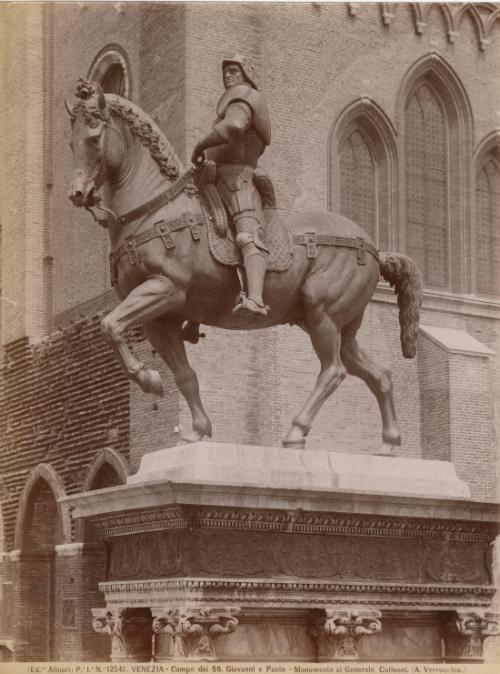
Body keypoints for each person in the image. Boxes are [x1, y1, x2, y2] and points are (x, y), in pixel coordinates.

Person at [191, 54, 271, 317]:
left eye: (234, 70)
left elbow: (235, 126)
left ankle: (257, 299)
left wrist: (200, 145)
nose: (227, 75)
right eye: (225, 71)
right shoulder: (233, 100)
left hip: (238, 180)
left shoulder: (245, 97)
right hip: (216, 179)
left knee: (246, 236)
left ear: (246, 73)